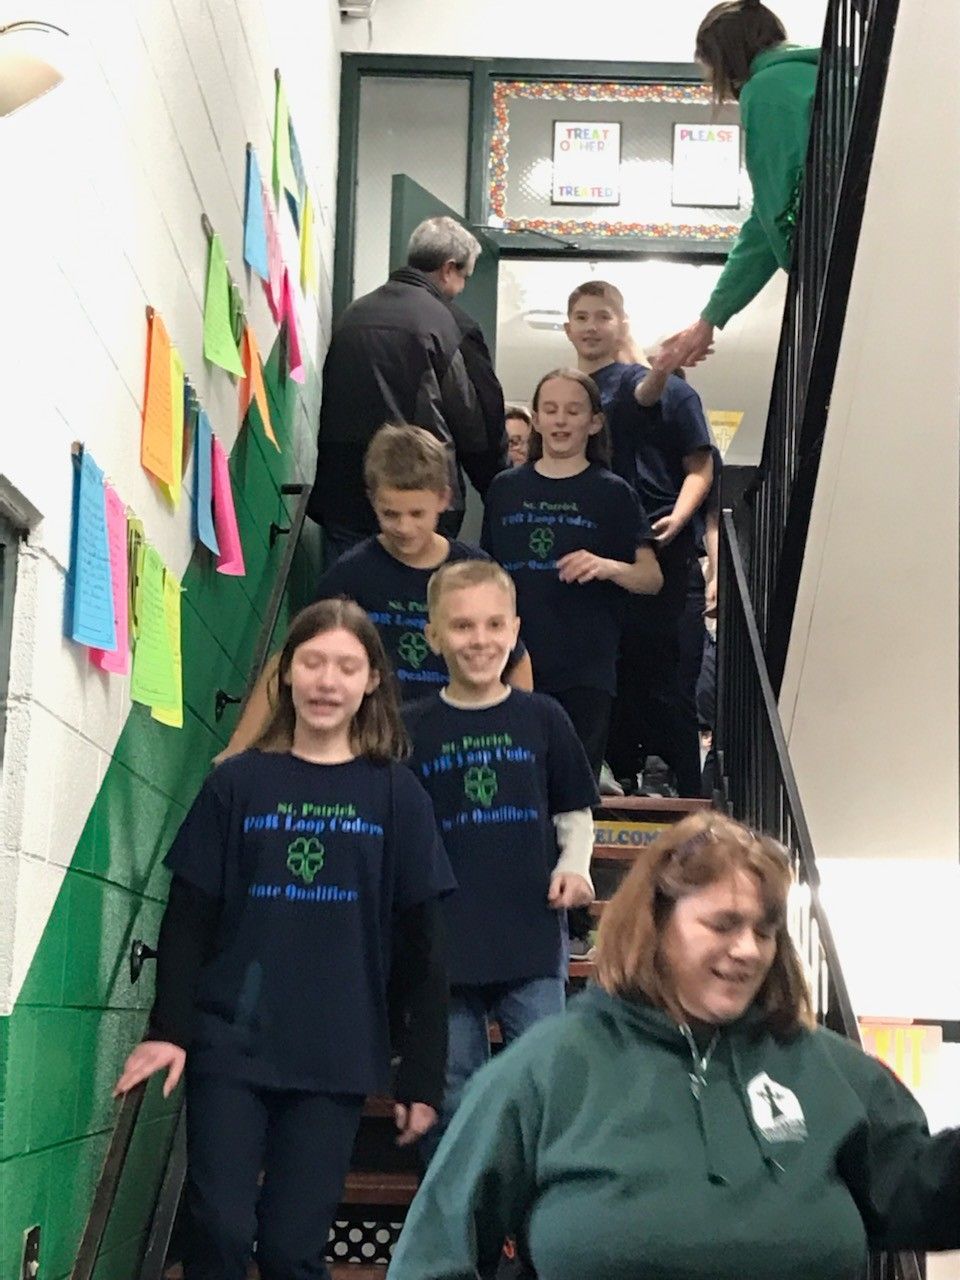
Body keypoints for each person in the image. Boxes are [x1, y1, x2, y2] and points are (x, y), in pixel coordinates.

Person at [388, 812, 960, 1280]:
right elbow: (435, 1252)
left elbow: (922, 1197)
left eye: (764, 931)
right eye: (723, 924)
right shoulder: (549, 1068)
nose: (747, 950)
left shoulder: (829, 1069)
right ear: (656, 926)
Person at [114, 600, 455, 1280]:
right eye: (313, 663)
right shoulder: (236, 784)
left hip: (335, 1052)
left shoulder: (397, 796)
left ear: (371, 684)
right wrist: (168, 1028)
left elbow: (429, 949)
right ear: (288, 676)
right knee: (219, 1228)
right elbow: (188, 918)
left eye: (346, 667)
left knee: (293, 1249)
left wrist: (421, 1073)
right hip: (232, 1045)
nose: (328, 682)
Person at [404, 559, 598, 1158]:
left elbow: (574, 811)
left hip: (531, 935)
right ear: (433, 635)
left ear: (515, 630)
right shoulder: (411, 728)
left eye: (493, 625)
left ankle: (534, 1213)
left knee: (543, 1083)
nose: (479, 640)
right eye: (461, 627)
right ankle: (463, 1220)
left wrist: (576, 866)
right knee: (455, 1092)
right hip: (445, 946)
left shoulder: (543, 717)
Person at [219, 425, 532, 762]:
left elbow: (516, 659)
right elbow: (290, 657)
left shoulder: (473, 568)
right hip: (376, 744)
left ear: (444, 499)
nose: (405, 527)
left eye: (417, 514)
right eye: (390, 514)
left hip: (456, 742)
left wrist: (514, 735)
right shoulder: (353, 573)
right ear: (372, 500)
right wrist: (238, 746)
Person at [566, 280, 713, 797]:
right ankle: (618, 779)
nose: (591, 327)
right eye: (581, 318)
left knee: (667, 679)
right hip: (602, 554)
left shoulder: (659, 389)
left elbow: (647, 401)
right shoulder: (575, 395)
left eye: (602, 317)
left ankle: (685, 791)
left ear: (621, 323)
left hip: (663, 552)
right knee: (614, 677)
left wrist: (662, 368)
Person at [482, 369, 662, 779]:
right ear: (537, 419)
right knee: (516, 781)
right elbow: (486, 576)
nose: (561, 420)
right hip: (510, 661)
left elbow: (651, 578)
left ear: (594, 422)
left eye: (573, 411)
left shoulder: (613, 492)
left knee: (573, 792)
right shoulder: (504, 490)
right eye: (551, 410)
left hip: (586, 668)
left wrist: (607, 567)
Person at [308, 216, 508, 558]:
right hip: (420, 497)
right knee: (420, 604)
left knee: (349, 602)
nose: (461, 289)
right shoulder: (451, 325)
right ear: (448, 269)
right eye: (464, 277)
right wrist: (499, 487)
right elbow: (477, 423)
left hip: (345, 497)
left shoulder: (353, 315)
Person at [663, 1, 820, 366]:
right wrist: (712, 317)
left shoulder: (765, 90)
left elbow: (774, 214)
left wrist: (711, 317)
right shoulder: (818, 73)